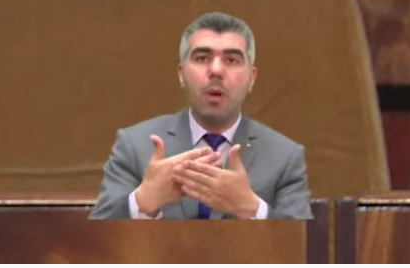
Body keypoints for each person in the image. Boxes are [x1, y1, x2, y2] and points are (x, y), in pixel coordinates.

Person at [89, 12, 310, 220]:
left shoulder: (285, 158)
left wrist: (252, 208)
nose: (216, 70)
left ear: (251, 78)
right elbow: (94, 239)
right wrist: (143, 201)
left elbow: (302, 244)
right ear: (181, 74)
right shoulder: (134, 146)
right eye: (202, 58)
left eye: (232, 60)